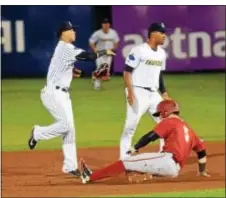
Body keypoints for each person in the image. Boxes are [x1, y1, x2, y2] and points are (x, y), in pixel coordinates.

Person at [28, 21, 114, 176]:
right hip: (53, 94)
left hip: (63, 94)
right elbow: (87, 56)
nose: (74, 32)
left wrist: (84, 74)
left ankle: (70, 166)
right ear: (63, 33)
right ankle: (37, 133)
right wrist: (104, 52)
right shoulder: (65, 47)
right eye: (71, 30)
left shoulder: (64, 50)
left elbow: (69, 68)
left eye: (74, 29)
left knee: (70, 130)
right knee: (66, 125)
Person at [80, 99, 210, 184]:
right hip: (174, 170)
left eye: (160, 113)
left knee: (126, 162)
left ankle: (90, 177)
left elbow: (151, 136)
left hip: (166, 160)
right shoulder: (189, 130)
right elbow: (202, 152)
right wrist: (202, 171)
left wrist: (135, 147)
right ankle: (146, 175)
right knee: (139, 165)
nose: (159, 116)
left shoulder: (170, 122)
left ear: (165, 112)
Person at [119, 22, 171, 159]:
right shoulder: (139, 50)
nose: (165, 36)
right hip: (137, 91)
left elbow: (159, 75)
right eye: (162, 33)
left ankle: (163, 156)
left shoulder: (161, 53)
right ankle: (124, 160)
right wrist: (130, 92)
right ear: (153, 34)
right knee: (130, 127)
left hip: (154, 94)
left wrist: (164, 94)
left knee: (166, 123)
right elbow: (127, 72)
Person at [89, 18, 120, 90]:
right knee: (99, 68)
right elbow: (91, 42)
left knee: (106, 70)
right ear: (102, 25)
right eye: (104, 24)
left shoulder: (113, 33)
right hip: (100, 53)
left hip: (108, 54)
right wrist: (95, 50)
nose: (106, 25)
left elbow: (116, 42)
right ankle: (97, 85)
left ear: (109, 25)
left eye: (107, 24)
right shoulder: (98, 33)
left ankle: (96, 79)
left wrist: (114, 49)